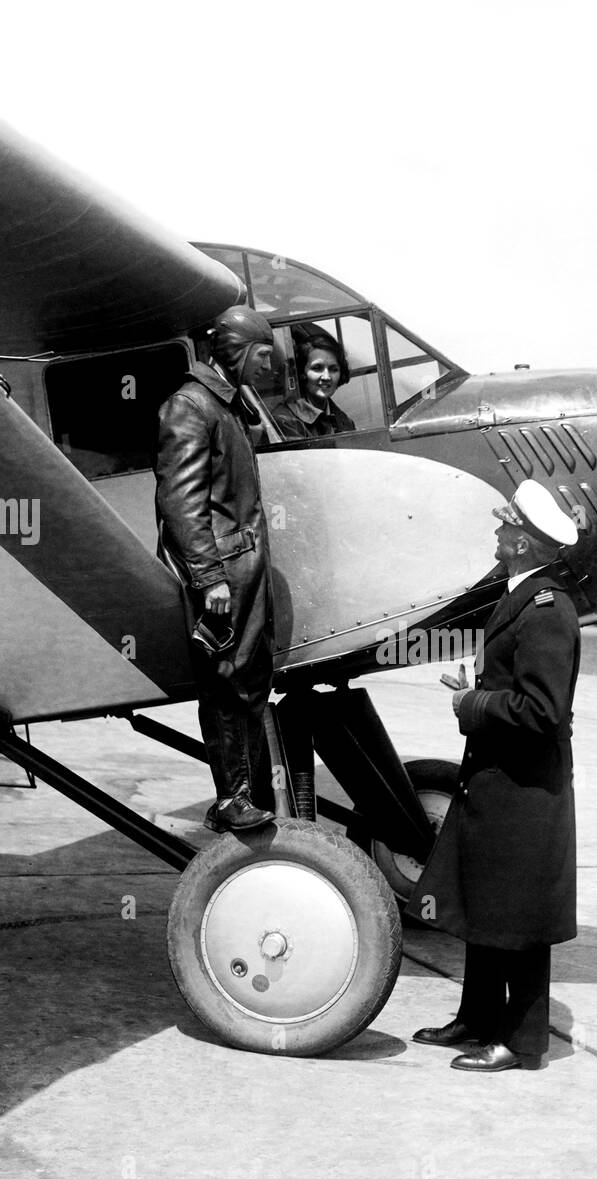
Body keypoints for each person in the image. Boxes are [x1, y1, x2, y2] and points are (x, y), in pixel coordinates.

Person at [407, 480, 580, 1072]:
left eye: (507, 523)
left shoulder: (548, 610)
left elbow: (544, 710)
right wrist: (477, 696)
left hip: (525, 790)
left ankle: (523, 1040)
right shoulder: (520, 597)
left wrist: (474, 708)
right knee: (487, 906)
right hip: (499, 782)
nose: (499, 528)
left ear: (526, 544)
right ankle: (478, 1017)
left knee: (522, 919)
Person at [156, 306, 277, 832]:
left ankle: (248, 790)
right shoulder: (190, 406)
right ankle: (232, 797)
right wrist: (209, 579)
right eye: (262, 356)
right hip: (225, 573)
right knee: (228, 680)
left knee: (249, 679)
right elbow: (181, 504)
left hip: (243, 567)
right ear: (237, 351)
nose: (266, 367)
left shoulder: (225, 405)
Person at [271, 327, 356, 438]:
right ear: (301, 372)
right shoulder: (285, 420)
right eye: (317, 368)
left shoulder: (344, 421)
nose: (326, 377)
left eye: (333, 369)